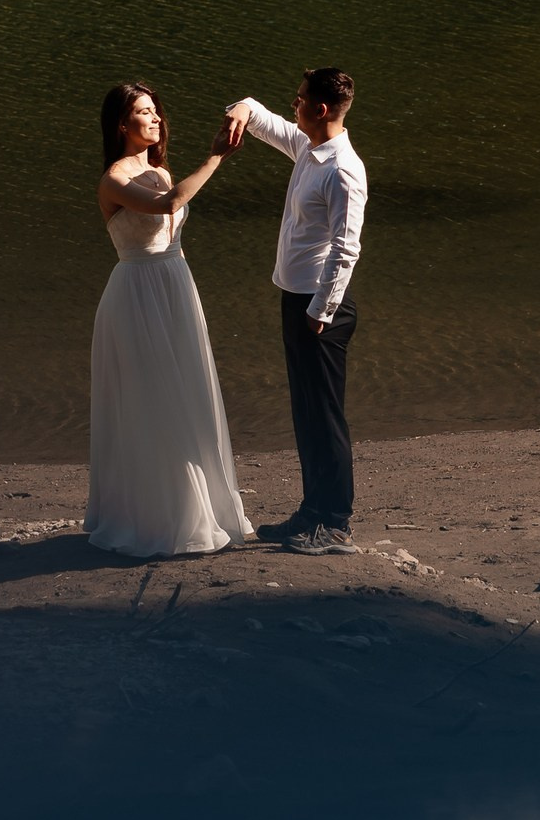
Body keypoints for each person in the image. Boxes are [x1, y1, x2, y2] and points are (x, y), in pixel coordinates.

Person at [85, 83, 255, 557]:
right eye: (144, 112)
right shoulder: (114, 179)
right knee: (150, 401)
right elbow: (169, 204)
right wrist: (216, 157)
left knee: (187, 394)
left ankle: (199, 509)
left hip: (176, 284)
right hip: (137, 294)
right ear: (122, 124)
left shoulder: (157, 169)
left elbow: (171, 203)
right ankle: (155, 518)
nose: (156, 118)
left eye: (157, 111)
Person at [221, 68, 368, 556]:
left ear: (319, 110)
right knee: (305, 413)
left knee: (325, 415)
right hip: (296, 298)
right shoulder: (307, 147)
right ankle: (311, 512)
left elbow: (346, 250)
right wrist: (241, 107)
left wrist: (320, 311)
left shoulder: (343, 169)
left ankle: (337, 522)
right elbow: (263, 120)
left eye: (300, 99)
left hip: (321, 310)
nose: (293, 105)